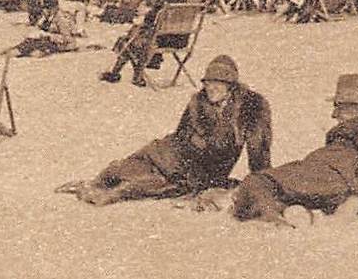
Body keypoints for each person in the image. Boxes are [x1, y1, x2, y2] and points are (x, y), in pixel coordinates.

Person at [60, 55, 271, 204]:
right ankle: (95, 182)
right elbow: (180, 135)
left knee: (149, 183)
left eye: (219, 83)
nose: (211, 88)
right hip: (176, 154)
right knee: (129, 166)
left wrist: (261, 183)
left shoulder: (250, 107)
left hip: (201, 171)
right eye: (209, 83)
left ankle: (110, 193)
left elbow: (259, 149)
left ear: (231, 86)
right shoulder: (198, 102)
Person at [230, 74, 358, 222]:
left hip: (330, 177)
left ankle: (276, 220)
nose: (334, 115)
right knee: (262, 185)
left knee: (258, 182)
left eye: (339, 107)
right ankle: (291, 212)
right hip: (323, 175)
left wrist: (355, 202)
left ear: (355, 107)